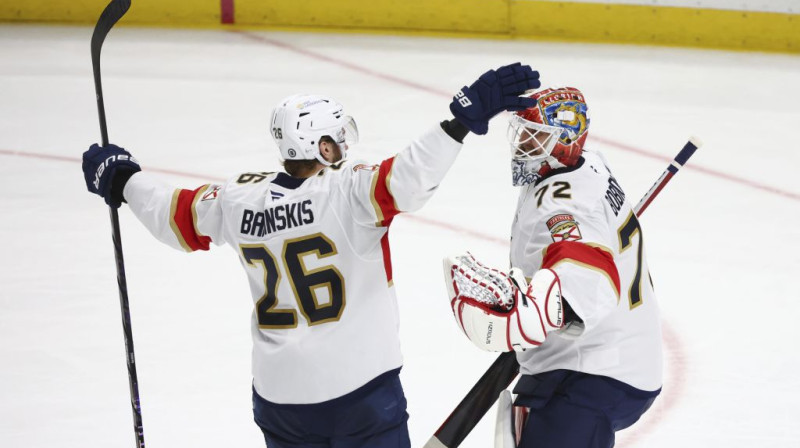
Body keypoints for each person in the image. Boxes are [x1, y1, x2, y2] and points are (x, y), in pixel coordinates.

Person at [81, 63, 541, 448]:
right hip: (360, 392)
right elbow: (409, 177)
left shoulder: (239, 199)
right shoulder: (348, 192)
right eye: (336, 136)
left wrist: (123, 179)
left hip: (281, 401)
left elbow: (172, 216)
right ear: (322, 145)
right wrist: (459, 122)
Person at [443, 86, 662, 448]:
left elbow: (587, 280)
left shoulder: (560, 203)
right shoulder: (591, 163)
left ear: (566, 140)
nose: (523, 145)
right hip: (622, 356)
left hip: (590, 372)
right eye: (523, 134)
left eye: (535, 137)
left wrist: (528, 315)